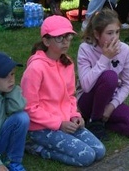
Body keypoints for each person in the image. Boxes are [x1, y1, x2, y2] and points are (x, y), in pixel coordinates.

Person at [21, 16, 105, 167]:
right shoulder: (35, 68)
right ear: (46, 41)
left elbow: (70, 96)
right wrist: (59, 123)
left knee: (99, 151)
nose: (66, 41)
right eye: (59, 38)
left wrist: (75, 115)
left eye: (68, 36)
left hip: (67, 123)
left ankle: (50, 142)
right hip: (42, 127)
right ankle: (36, 147)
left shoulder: (67, 62)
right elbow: (29, 108)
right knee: (87, 157)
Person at [77, 9, 129, 140]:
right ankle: (95, 122)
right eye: (109, 33)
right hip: (87, 100)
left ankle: (100, 122)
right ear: (97, 34)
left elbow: (128, 83)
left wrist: (111, 106)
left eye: (117, 32)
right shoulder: (85, 49)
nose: (115, 37)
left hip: (108, 99)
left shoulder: (124, 49)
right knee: (110, 76)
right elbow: (85, 86)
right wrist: (105, 58)